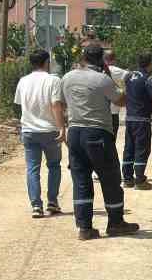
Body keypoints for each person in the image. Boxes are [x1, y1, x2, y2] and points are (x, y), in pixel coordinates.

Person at [62, 42, 140, 241]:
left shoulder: (67, 78)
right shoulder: (102, 80)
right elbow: (120, 100)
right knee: (110, 178)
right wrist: (113, 78)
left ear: (83, 58)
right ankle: (115, 223)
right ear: (102, 61)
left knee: (81, 180)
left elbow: (62, 101)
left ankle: (85, 228)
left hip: (75, 133)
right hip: (97, 134)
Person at [13, 47, 65, 218]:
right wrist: (61, 128)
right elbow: (56, 105)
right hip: (50, 130)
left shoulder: (23, 81)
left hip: (29, 130)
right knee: (54, 166)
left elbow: (20, 105)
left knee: (32, 169)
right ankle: (52, 201)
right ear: (46, 62)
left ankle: (36, 205)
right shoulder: (53, 80)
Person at [122, 53, 152, 189]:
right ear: (150, 63)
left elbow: (127, 94)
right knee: (141, 149)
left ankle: (127, 179)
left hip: (129, 118)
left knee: (129, 148)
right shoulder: (149, 79)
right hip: (142, 120)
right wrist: (151, 110)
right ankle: (140, 181)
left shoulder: (128, 76)